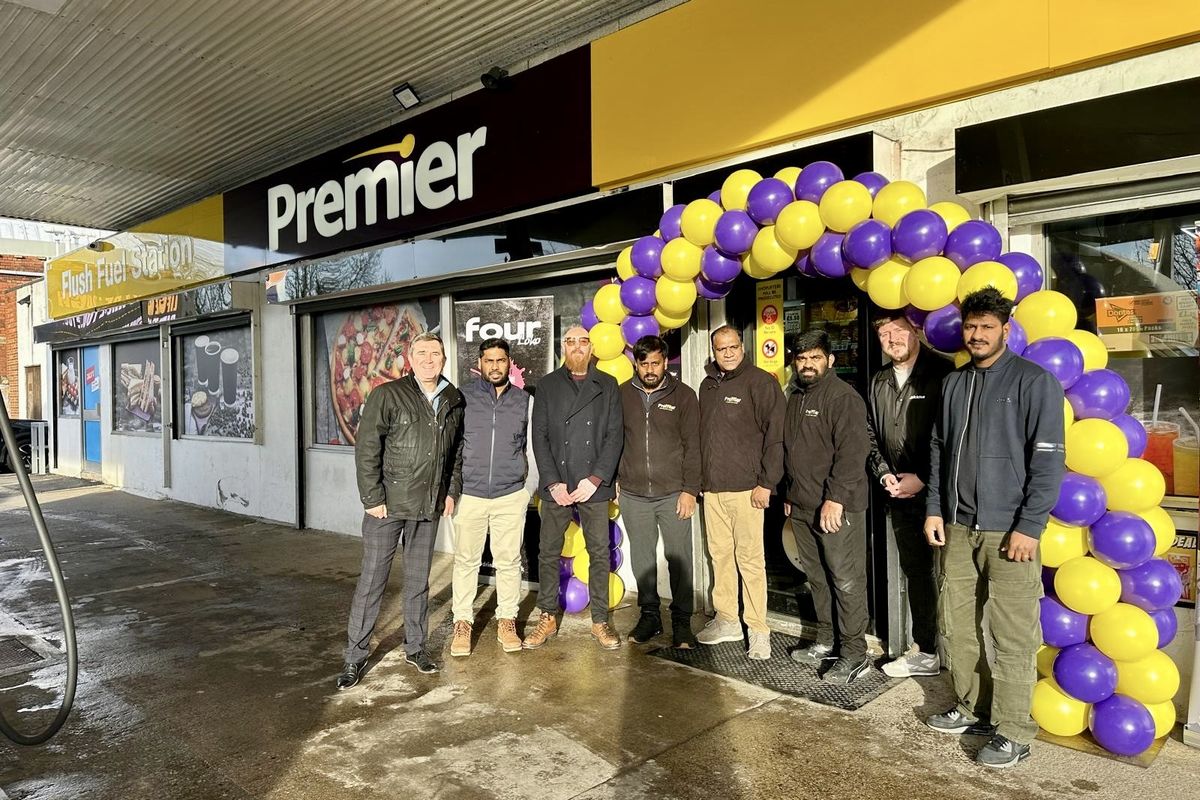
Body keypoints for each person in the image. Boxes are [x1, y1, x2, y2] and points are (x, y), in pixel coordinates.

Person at [924, 287, 1065, 769]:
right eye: (971, 326)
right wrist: (934, 508)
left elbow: (1048, 464)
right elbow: (940, 451)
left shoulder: (1034, 382)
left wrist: (1029, 525)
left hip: (1010, 533)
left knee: (1011, 635)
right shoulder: (954, 383)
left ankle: (1013, 729)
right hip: (959, 527)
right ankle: (972, 707)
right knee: (957, 625)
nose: (977, 334)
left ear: (1006, 329)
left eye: (987, 326)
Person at [337, 333, 464, 689]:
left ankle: (416, 647)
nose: (428, 359)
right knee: (372, 582)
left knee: (417, 582)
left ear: (443, 359)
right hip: (387, 506)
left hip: (428, 505)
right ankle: (354, 656)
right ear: (410, 358)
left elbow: (456, 453)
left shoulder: (453, 398)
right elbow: (367, 450)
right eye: (421, 353)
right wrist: (372, 498)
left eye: (435, 354)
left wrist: (451, 490)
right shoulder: (387, 394)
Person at [524, 325, 624, 651]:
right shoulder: (548, 385)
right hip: (558, 484)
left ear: (591, 348)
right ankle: (547, 617)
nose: (577, 347)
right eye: (570, 342)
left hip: (592, 485)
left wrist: (594, 479)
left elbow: (614, 436)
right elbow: (539, 436)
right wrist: (552, 483)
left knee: (598, 552)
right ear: (563, 347)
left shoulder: (608, 385)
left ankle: (599, 621)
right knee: (548, 552)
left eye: (583, 342)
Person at [782, 330, 873, 684]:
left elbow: (853, 454)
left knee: (845, 580)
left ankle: (855, 653)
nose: (807, 364)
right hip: (803, 505)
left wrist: (835, 499)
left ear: (830, 361)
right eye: (802, 358)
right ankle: (827, 640)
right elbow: (793, 451)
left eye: (815, 357)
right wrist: (790, 493)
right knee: (816, 578)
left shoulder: (842, 398)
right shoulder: (795, 396)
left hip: (838, 507)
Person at [866, 311, 953, 678]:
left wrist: (924, 478)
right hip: (899, 497)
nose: (891, 339)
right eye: (884, 333)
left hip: (942, 495)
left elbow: (954, 438)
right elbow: (869, 435)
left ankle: (959, 655)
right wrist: (884, 473)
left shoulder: (944, 373)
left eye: (898, 330)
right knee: (917, 574)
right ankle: (928, 650)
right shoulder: (879, 381)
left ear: (915, 331)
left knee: (952, 576)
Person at [697, 325, 785, 660]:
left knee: (750, 561)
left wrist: (767, 482)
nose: (729, 353)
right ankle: (727, 620)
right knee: (719, 557)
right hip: (713, 490)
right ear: (714, 351)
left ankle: (759, 629)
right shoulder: (707, 386)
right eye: (722, 349)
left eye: (734, 347)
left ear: (743, 347)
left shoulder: (761, 383)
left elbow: (776, 437)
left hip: (748, 490)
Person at [449, 338, 532, 658]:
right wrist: (452, 490)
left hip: (510, 494)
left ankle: (507, 620)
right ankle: (462, 622)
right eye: (489, 361)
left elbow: (531, 448)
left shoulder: (524, 400)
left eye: (501, 360)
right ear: (480, 363)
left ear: (509, 363)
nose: (495, 366)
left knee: (509, 562)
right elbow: (453, 446)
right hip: (469, 495)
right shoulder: (464, 398)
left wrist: (527, 489)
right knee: (466, 562)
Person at [618, 335, 701, 648]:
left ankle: (682, 624)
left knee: (678, 558)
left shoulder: (684, 396)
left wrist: (690, 490)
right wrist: (615, 479)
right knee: (642, 558)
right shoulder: (623, 394)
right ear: (636, 364)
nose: (650, 369)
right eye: (644, 363)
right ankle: (650, 616)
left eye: (655, 362)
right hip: (633, 493)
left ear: (666, 362)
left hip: (673, 494)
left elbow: (694, 447)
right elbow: (615, 441)